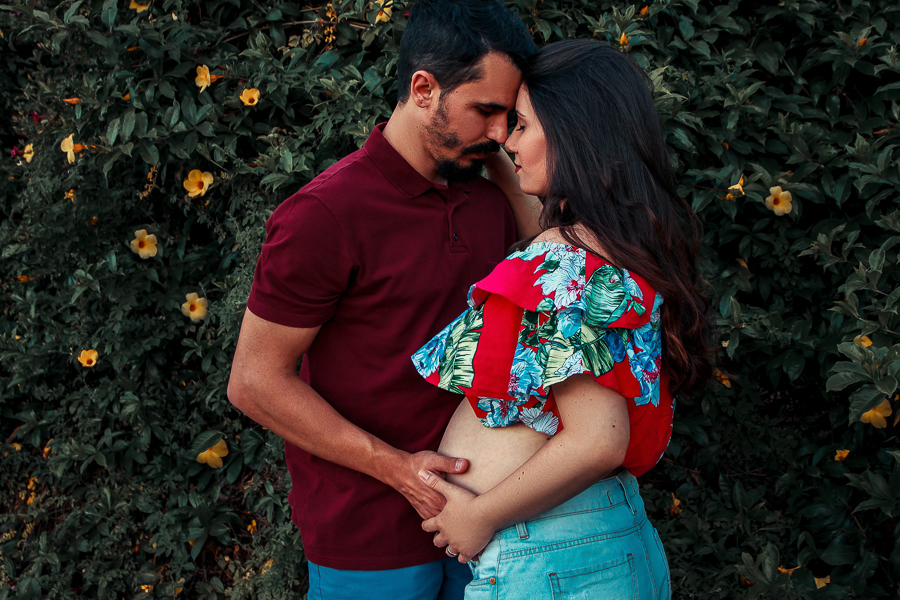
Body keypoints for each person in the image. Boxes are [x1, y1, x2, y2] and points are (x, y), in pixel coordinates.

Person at [226, 1, 537, 599]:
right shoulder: (325, 215)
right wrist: (398, 470)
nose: (501, 134)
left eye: (510, 116)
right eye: (486, 111)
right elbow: (255, 381)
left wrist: (499, 167)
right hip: (368, 539)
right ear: (423, 89)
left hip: (485, 527)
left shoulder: (489, 196)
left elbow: (554, 271)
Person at [411, 40, 713, 599]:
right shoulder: (618, 247)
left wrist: (480, 516)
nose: (505, 138)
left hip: (551, 557)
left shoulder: (564, 257)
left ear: (574, 132)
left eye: (521, 124)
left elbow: (598, 440)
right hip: (585, 548)